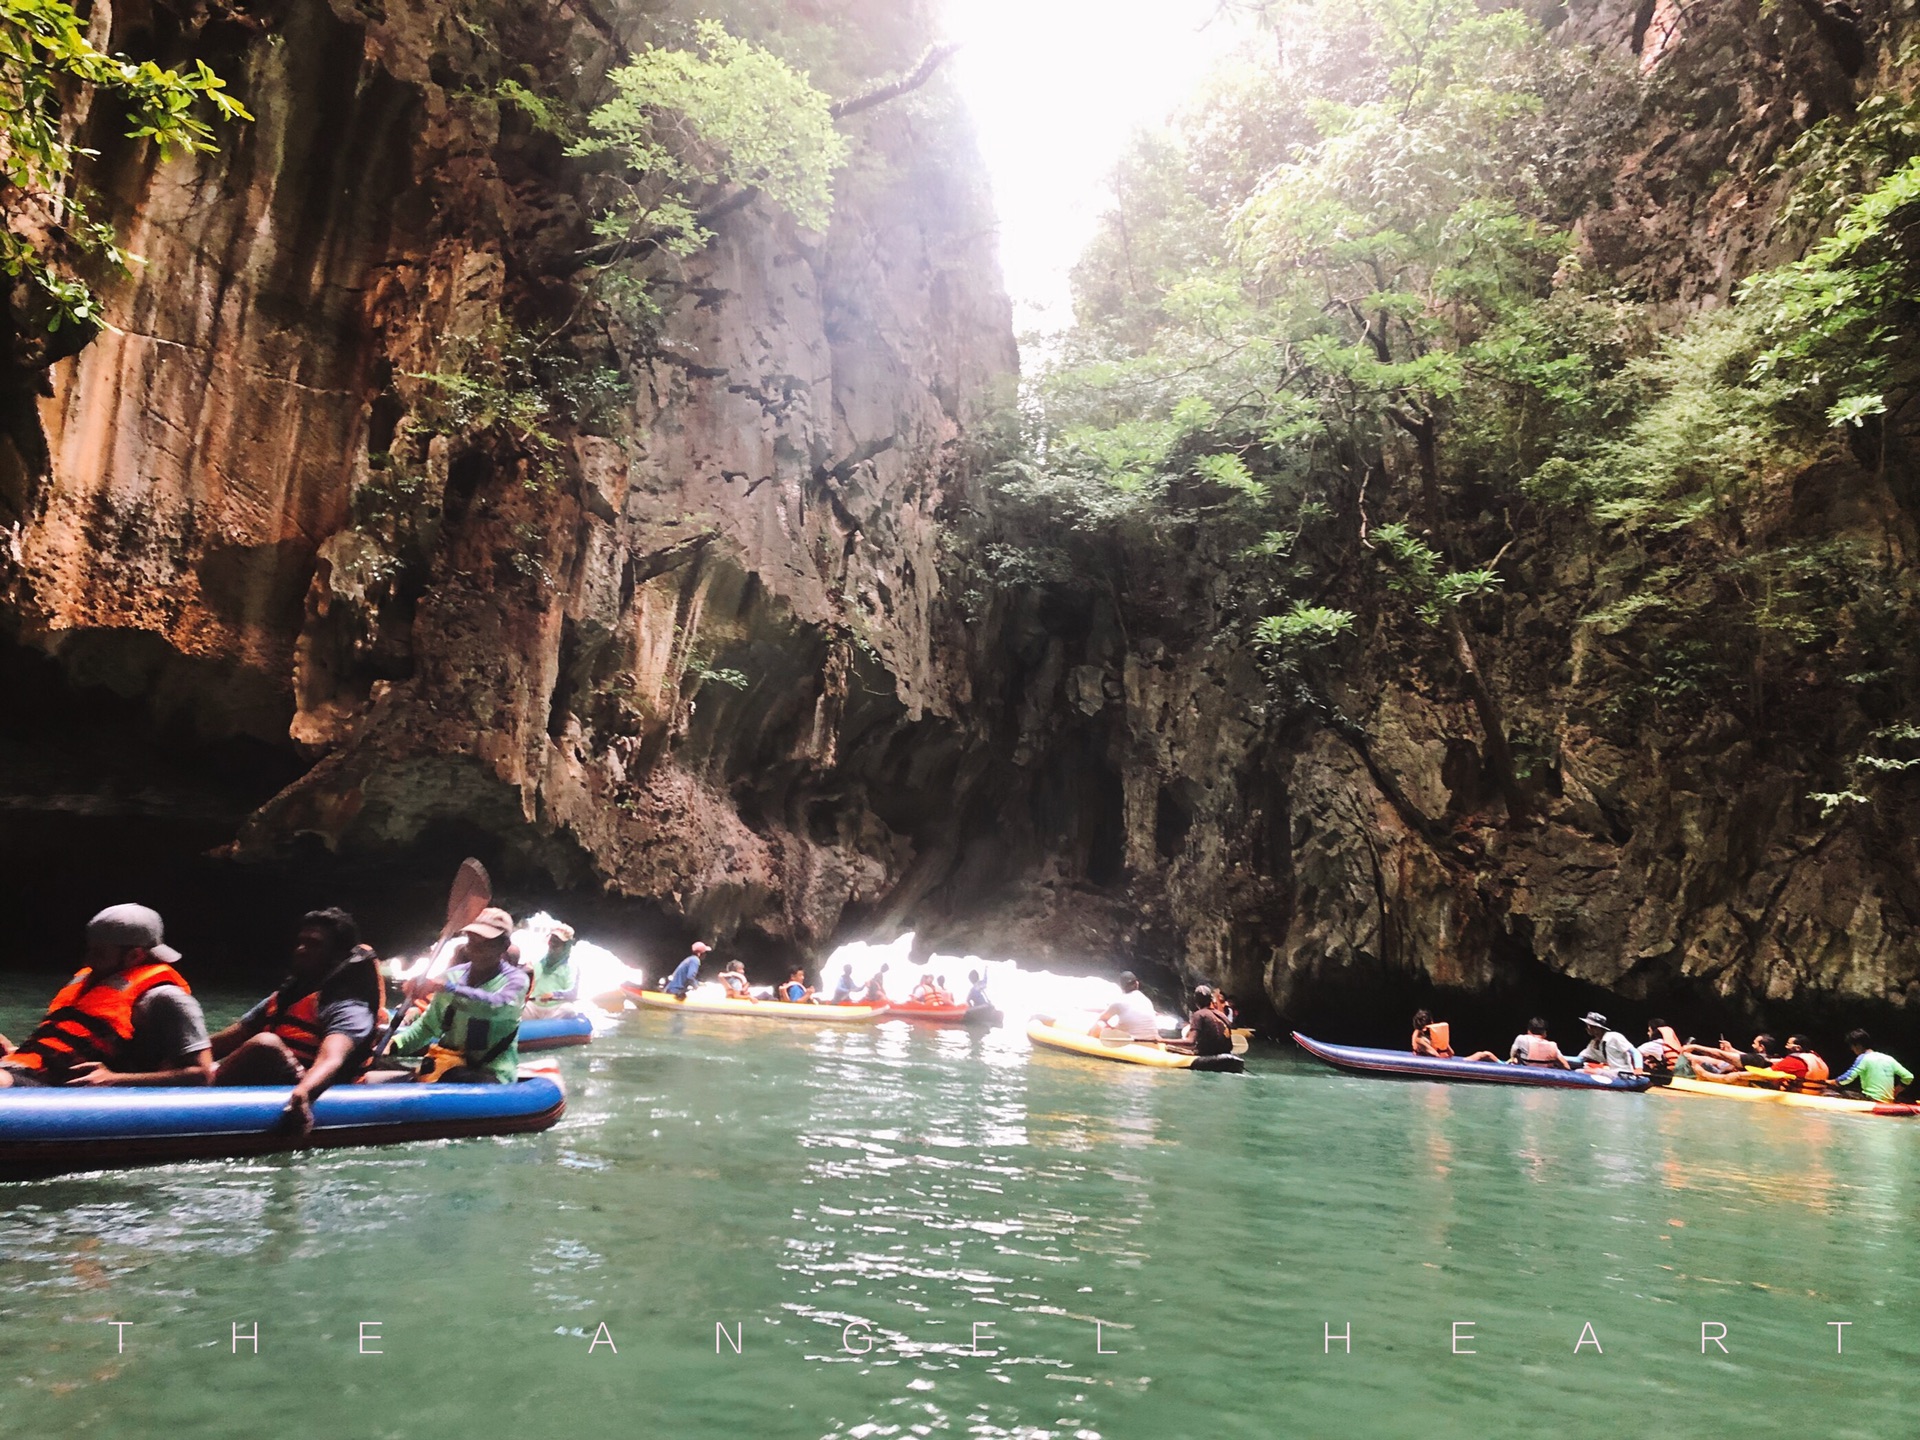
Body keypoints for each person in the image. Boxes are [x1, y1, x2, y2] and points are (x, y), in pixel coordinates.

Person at [0, 904, 213, 1088]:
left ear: (134, 955)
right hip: (32, 1073)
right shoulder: (92, 984)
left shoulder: (167, 999)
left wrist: (114, 1079)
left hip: (67, 1089)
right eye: (89, 950)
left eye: (99, 953)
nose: (89, 960)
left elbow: (202, 1074)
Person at [209, 908, 381, 1130]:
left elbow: (332, 1059)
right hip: (277, 1080)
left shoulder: (348, 1005)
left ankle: (200, 1086)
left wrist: (304, 1093)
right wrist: (187, 1053)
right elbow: (231, 1038)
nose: (301, 949)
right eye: (301, 942)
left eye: (314, 944)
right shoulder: (286, 996)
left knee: (265, 1045)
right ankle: (191, 1080)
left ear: (337, 955)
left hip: (310, 1084)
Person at [388, 907, 528, 1083]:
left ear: (504, 945)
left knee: (454, 1075)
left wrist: (448, 988)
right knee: (382, 1064)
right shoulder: (451, 976)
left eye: (485, 941)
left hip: (492, 1073)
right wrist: (393, 1045)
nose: (476, 944)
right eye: (473, 937)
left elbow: (494, 1007)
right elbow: (428, 1027)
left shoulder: (516, 981)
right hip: (449, 1065)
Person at [1833, 1029, 1913, 1103]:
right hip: (1888, 1101)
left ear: (1858, 1045)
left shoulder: (1864, 1058)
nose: (1852, 1049)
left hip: (1871, 1100)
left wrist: (1831, 1082)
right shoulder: (1889, 1058)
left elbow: (1847, 1078)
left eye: (1852, 1046)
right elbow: (1908, 1076)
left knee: (1839, 1092)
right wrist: (1896, 1091)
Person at [1091, 972, 1161, 1042]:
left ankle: (1090, 1042)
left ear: (1122, 987)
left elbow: (1102, 1018)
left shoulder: (1118, 1002)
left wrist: (1110, 1026)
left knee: (1100, 1023)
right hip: (1151, 1041)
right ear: (1137, 983)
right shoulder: (1146, 1000)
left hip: (1131, 1042)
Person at [525, 924, 580, 1013]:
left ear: (567, 946)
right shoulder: (538, 962)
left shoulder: (571, 967)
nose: (553, 945)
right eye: (552, 940)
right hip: (534, 1005)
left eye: (558, 943)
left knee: (569, 1009)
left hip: (555, 1008)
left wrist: (554, 995)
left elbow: (573, 993)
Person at [1410, 1008, 1498, 1063]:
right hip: (1443, 1062)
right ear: (1431, 1023)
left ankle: (1506, 1065)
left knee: (1485, 1054)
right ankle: (1507, 1066)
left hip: (1446, 1060)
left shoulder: (1420, 1035)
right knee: (1485, 1054)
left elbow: (1451, 1053)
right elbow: (1436, 1055)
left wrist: (1442, 1040)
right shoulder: (1419, 1039)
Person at [1574, 1011, 1642, 1073]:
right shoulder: (1594, 1043)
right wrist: (1562, 1057)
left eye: (1591, 1026)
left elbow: (1635, 1052)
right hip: (1612, 1072)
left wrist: (1638, 1069)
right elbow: (1579, 1060)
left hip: (1623, 1073)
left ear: (1598, 1027)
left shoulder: (1614, 1036)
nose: (1588, 1028)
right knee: (1582, 1069)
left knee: (1580, 1072)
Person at [1184, 986, 1233, 1057]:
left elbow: (1190, 1041)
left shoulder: (1199, 1014)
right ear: (1211, 1000)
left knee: (1168, 1046)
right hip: (1225, 1052)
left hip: (1207, 1053)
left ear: (1196, 1001)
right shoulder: (1222, 1015)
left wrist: (1163, 1040)